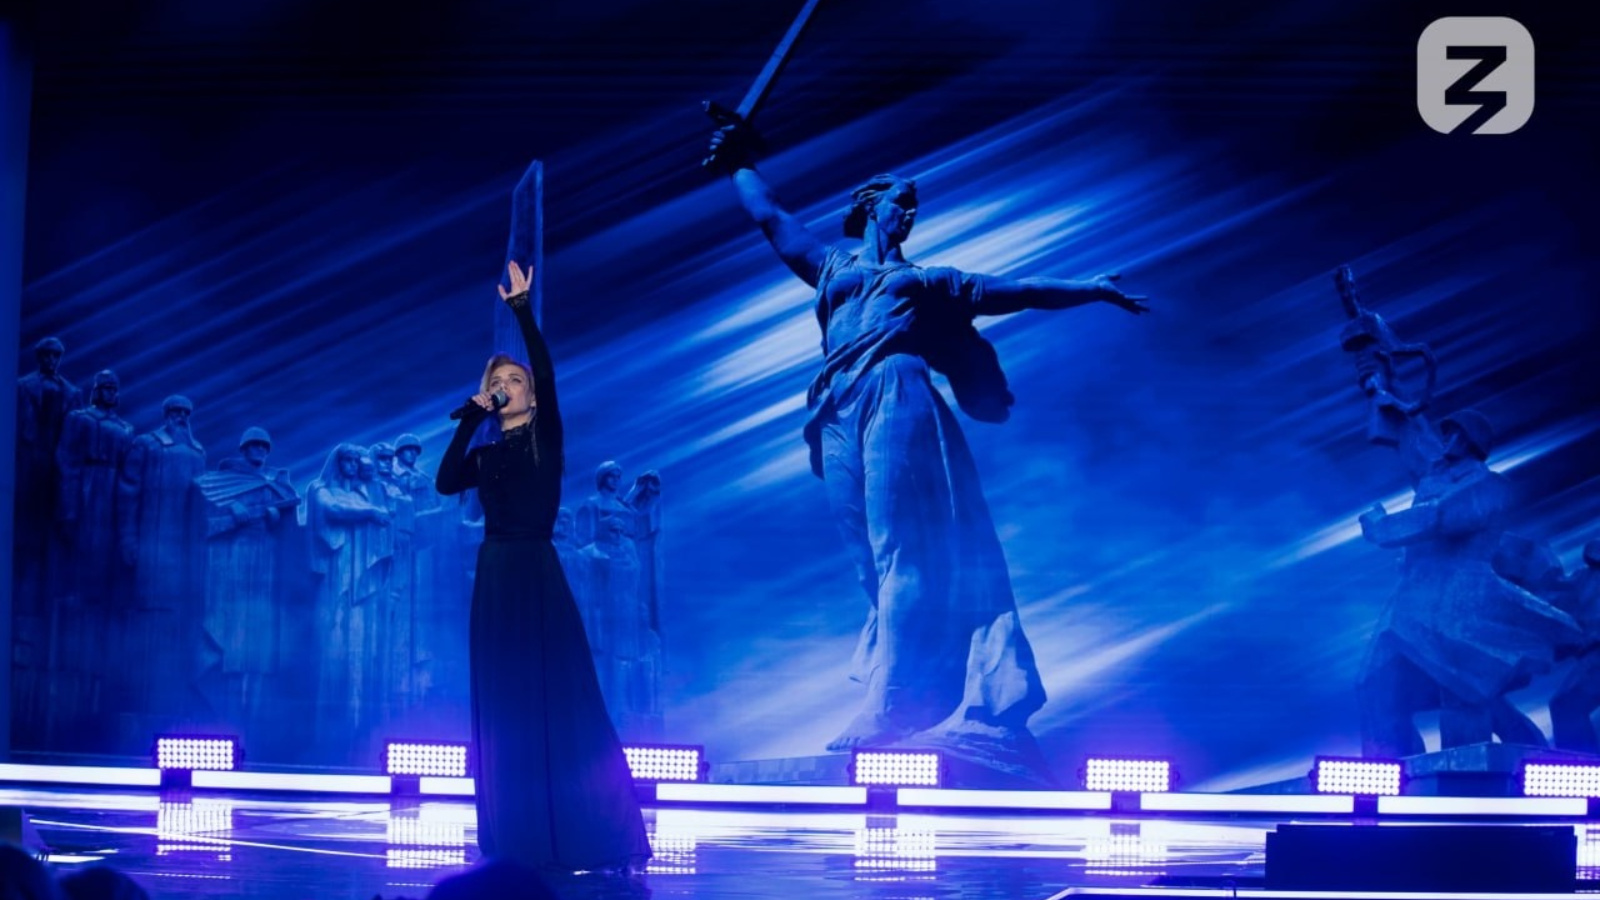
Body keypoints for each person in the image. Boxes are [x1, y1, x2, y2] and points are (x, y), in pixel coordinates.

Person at [707, 122, 1150, 753]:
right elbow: (771, 215)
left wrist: (1091, 289)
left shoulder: (929, 280)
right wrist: (739, 159)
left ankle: (887, 706)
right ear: (871, 205)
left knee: (898, 549)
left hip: (897, 389)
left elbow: (1018, 291)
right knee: (867, 559)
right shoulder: (831, 266)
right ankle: (915, 679)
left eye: (916, 206)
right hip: (836, 404)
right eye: (902, 201)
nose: (910, 213)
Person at [436, 261, 651, 874]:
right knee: (503, 706)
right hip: (494, 575)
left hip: (535, 567)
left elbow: (549, 375)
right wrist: (470, 418)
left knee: (558, 696)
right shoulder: (487, 451)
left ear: (529, 393)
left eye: (515, 380)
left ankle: (589, 833)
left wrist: (522, 311)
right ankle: (516, 836)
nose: (507, 386)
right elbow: (446, 480)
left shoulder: (545, 437)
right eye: (497, 381)